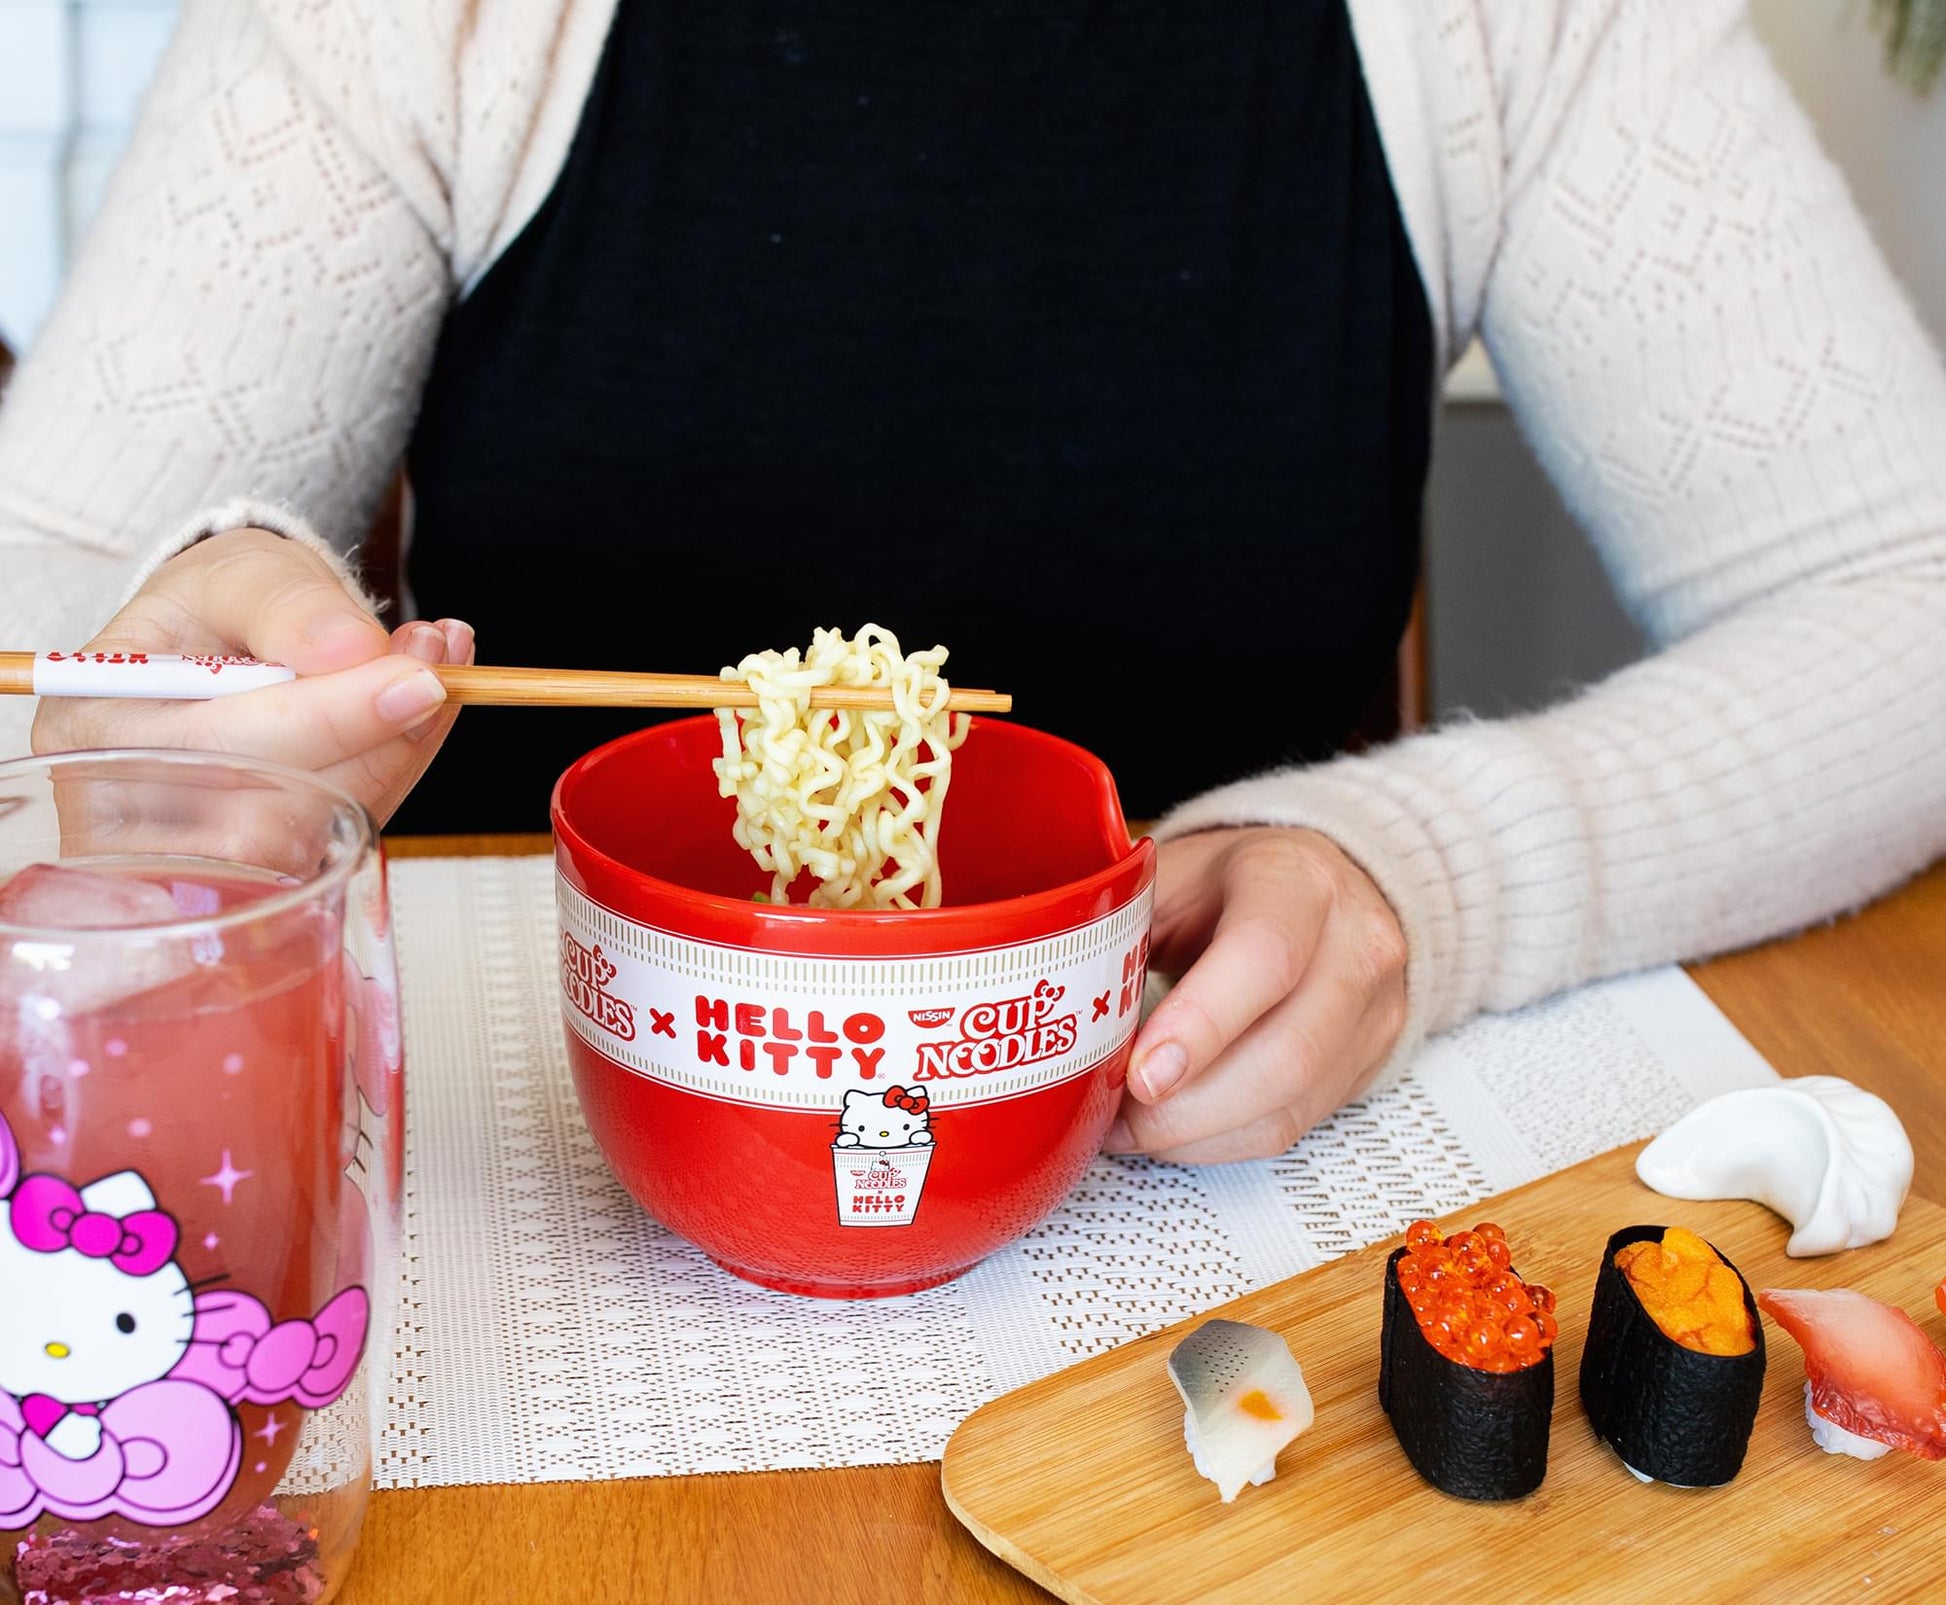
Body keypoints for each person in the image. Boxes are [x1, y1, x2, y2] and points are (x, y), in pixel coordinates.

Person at [3, 0, 1942, 1165]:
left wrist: (1430, 871)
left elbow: (1906, 598)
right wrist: (158, 741)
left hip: (1207, 1165)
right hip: (547, 1166)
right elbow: (46, 631)